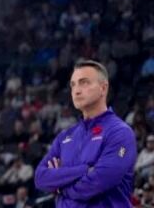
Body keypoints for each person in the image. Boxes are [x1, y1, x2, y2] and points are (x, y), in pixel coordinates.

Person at [34, 60, 136, 206]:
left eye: (84, 82)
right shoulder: (64, 137)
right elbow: (41, 178)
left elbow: (99, 181)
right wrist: (84, 170)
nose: (76, 90)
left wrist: (61, 186)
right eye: (73, 85)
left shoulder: (120, 133)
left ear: (103, 88)